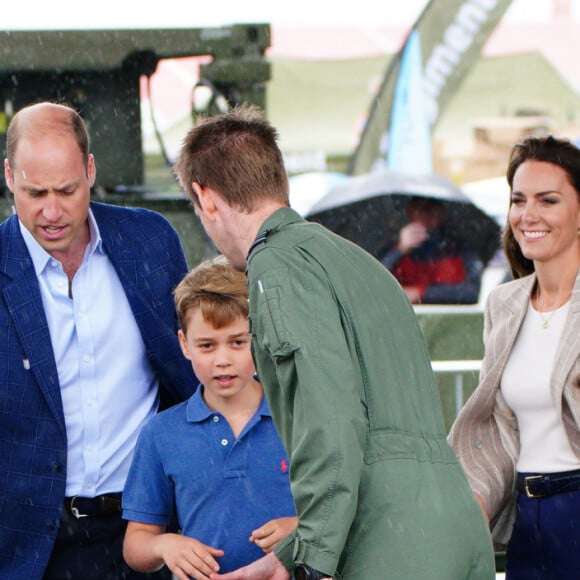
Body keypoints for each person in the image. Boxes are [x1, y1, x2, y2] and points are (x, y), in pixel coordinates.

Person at [173, 104, 495, 580]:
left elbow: (331, 416)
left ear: (206, 198)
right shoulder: (360, 262)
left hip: (387, 541)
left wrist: (310, 562)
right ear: (276, 178)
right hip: (453, 523)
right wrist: (282, 560)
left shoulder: (275, 264)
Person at [0, 102, 197, 579]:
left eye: (67, 191)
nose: (51, 211)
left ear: (90, 170)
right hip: (28, 548)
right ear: (8, 177)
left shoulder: (150, 241)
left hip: (144, 532)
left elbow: (191, 377)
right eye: (34, 192)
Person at [449, 135, 580, 579]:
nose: (529, 215)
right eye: (519, 200)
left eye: (549, 200)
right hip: (527, 515)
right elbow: (501, 429)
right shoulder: (504, 304)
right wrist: (476, 501)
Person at [122, 255, 297, 579]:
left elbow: (346, 513)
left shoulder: (299, 418)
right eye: (206, 345)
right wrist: (165, 546)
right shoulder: (160, 434)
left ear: (260, 338)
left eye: (238, 342)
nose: (222, 360)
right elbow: (136, 543)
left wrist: (300, 530)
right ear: (184, 344)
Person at [381, 195, 484, 304]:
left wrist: (420, 293)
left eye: (432, 208)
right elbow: (375, 282)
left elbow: (471, 292)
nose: (426, 214)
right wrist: (399, 249)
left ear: (442, 212)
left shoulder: (460, 249)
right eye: (420, 208)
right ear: (410, 212)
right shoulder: (393, 248)